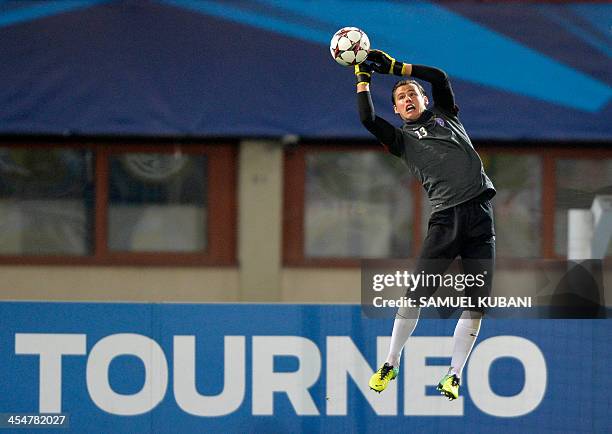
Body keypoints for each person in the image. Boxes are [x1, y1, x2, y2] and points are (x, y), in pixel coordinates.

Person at [355, 50, 496, 400]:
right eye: (400, 97)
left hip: (480, 217)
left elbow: (440, 76)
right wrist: (362, 79)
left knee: (477, 304)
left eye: (412, 93)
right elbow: (368, 119)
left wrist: (398, 69)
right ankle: (390, 363)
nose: (406, 99)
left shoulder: (447, 115)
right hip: (446, 220)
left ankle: (453, 375)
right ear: (398, 110)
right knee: (415, 294)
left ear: (424, 100)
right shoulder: (401, 140)